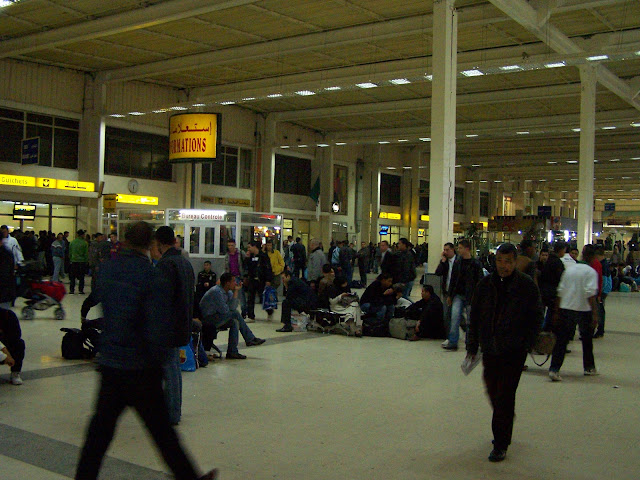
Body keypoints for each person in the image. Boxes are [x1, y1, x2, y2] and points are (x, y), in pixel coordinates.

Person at [75, 222, 217, 480]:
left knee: (98, 435)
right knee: (163, 435)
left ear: (126, 241)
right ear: (150, 244)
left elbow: (96, 297)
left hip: (111, 365)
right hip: (141, 369)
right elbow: (156, 324)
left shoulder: (108, 268)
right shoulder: (152, 275)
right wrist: (159, 360)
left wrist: (86, 313)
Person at [466, 243, 542, 462]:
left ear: (515, 261)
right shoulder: (485, 285)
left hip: (514, 351)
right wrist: (472, 345)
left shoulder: (526, 286)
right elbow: (475, 317)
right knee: (493, 391)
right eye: (499, 260)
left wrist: (527, 342)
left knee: (505, 395)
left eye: (508, 261)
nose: (503, 266)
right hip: (490, 348)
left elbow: (536, 316)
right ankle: (504, 420)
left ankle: (500, 443)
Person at [154, 226, 195, 426]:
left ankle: (171, 413)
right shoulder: (185, 264)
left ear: (160, 243)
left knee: (169, 369)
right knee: (173, 369)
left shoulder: (165, 265)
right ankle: (173, 410)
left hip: (168, 326)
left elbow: (161, 300)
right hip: (183, 324)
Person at [549, 244, 599, 382]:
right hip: (583, 310)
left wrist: (556, 312)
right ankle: (589, 367)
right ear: (593, 257)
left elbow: (560, 291)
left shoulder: (569, 270)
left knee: (561, 341)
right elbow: (590, 295)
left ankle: (554, 369)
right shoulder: (590, 272)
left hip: (566, 308)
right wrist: (595, 314)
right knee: (587, 340)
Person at [199, 273, 265, 359]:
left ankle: (232, 351)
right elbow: (225, 311)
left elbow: (232, 307)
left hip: (218, 317)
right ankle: (250, 339)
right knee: (235, 314)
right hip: (208, 319)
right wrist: (231, 308)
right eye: (233, 281)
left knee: (235, 322)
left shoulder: (228, 292)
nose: (235, 283)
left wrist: (236, 291)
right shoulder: (216, 292)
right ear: (227, 283)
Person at [442, 239, 484, 351]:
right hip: (458, 294)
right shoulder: (457, 262)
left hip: (471, 296)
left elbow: (480, 281)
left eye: (460, 248)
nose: (458, 250)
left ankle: (471, 342)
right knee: (455, 317)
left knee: (471, 320)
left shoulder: (476, 264)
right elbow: (453, 279)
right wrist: (450, 295)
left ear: (467, 249)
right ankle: (453, 341)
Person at [539, 242, 566, 330]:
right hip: (552, 291)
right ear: (561, 250)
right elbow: (560, 278)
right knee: (551, 313)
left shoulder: (549, 260)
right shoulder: (557, 262)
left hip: (544, 290)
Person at [244, 240, 273, 321]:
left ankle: (269, 310)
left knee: (262, 297)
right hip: (252, 280)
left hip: (261, 280)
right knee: (250, 298)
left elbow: (268, 268)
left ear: (254, 247)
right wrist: (247, 258)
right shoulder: (250, 257)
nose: (248, 249)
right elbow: (246, 267)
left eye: (249, 247)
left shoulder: (263, 256)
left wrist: (268, 279)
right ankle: (250, 316)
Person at [0, 307, 25, 385]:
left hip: (6, 343)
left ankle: (15, 373)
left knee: (19, 344)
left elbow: (16, 335)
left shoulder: (8, 315)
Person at [224, 239, 246, 317]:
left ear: (235, 245)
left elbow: (245, 263)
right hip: (231, 277)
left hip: (239, 276)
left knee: (241, 296)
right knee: (231, 295)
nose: (230, 247)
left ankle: (244, 312)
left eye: (232, 245)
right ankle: (232, 310)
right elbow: (226, 267)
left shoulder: (240, 254)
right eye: (229, 246)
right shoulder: (227, 256)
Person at [265, 239, 285, 310]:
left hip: (276, 273)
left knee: (276, 285)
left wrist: (279, 269)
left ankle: (273, 299)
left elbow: (282, 262)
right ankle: (271, 300)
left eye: (270, 245)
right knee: (269, 287)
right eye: (268, 245)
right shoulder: (265, 254)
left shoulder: (276, 253)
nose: (269, 247)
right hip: (268, 273)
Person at [69, 229, 89, 295]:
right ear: (83, 235)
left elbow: (70, 252)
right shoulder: (85, 243)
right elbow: (86, 254)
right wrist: (86, 261)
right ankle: (80, 290)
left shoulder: (72, 242)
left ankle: (72, 290)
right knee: (81, 277)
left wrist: (71, 259)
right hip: (82, 262)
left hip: (74, 261)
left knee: (72, 277)